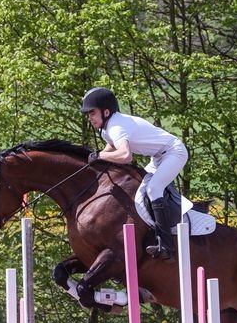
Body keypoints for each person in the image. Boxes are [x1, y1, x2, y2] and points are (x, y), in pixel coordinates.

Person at [80, 86, 188, 260]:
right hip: (158, 158)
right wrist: (94, 161)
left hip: (174, 152)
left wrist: (99, 155)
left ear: (106, 112)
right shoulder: (106, 129)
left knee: (153, 189)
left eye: (92, 113)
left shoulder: (116, 127)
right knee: (140, 189)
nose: (89, 117)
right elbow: (110, 149)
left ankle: (167, 245)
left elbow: (125, 156)